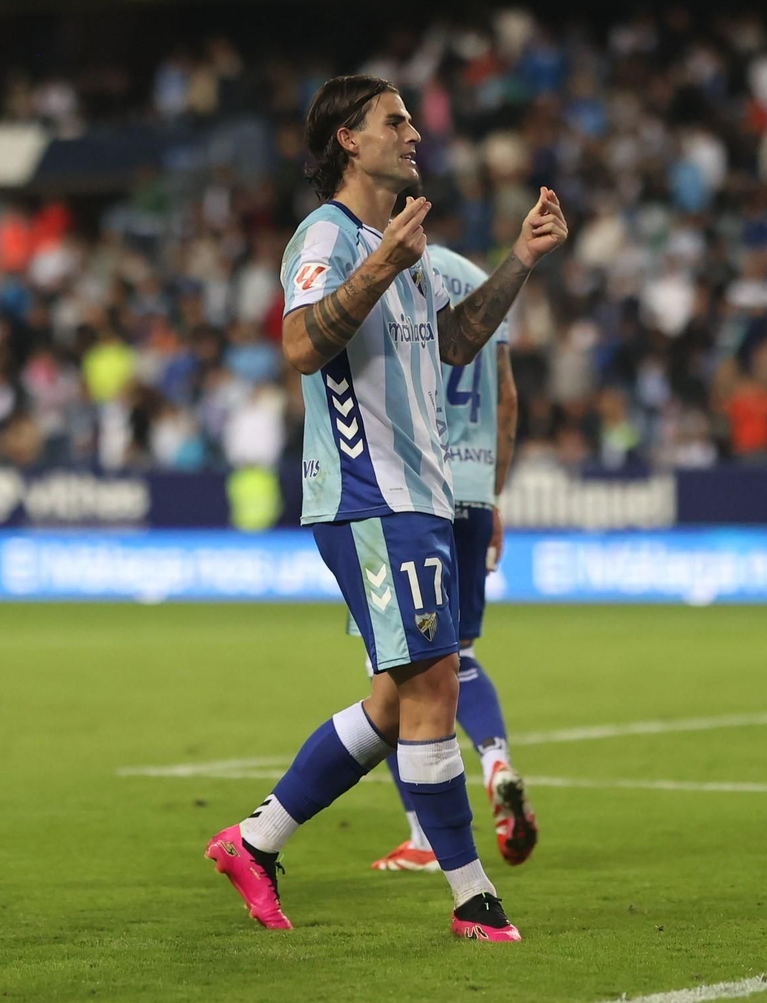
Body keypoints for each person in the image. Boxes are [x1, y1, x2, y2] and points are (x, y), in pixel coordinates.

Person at [205, 74, 567, 941]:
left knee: (392, 701)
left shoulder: (401, 239)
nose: (413, 132)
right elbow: (298, 344)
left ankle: (254, 842)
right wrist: (381, 264)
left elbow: (452, 342)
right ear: (348, 142)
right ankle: (474, 897)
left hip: (421, 497)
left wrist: (519, 258)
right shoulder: (326, 235)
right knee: (435, 684)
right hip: (369, 495)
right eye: (394, 121)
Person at [365, 239, 538, 873]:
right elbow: (507, 400)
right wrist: (493, 497)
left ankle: (423, 835)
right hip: (472, 488)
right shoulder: (481, 279)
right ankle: (496, 763)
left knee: (396, 667)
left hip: (412, 488)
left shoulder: (386, 269)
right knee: (458, 653)